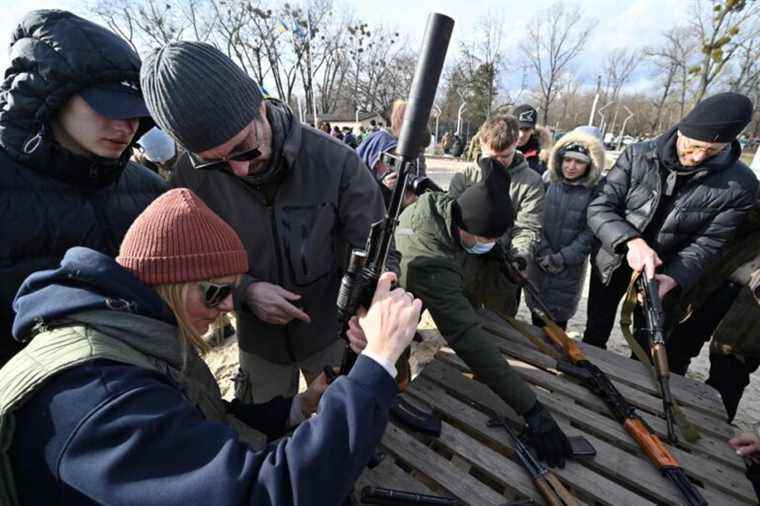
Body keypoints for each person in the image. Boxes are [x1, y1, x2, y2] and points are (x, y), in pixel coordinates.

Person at [0, 188, 421, 505]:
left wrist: (298, 408)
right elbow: (265, 495)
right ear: (170, 283)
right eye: (216, 292)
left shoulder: (130, 334)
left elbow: (194, 422)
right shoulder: (101, 395)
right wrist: (378, 361)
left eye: (233, 295)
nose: (227, 310)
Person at [140, 41, 389, 404]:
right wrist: (245, 291)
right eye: (216, 162)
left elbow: (378, 253)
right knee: (264, 430)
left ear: (260, 107)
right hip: (258, 346)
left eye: (244, 147)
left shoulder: (337, 162)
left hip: (330, 336)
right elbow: (186, 270)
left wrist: (371, 314)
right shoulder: (188, 179)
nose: (239, 169)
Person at [0, 10, 167, 367]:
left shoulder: (150, 191)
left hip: (149, 392)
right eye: (108, 105)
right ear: (52, 93)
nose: (126, 126)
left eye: (134, 110)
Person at [385, 169, 571, 467]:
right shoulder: (430, 260)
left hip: (435, 275)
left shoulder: (450, 207)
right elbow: (467, 338)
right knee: (393, 371)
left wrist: (501, 258)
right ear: (465, 228)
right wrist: (532, 409)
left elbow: (482, 243)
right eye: (487, 238)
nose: (490, 243)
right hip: (394, 308)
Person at [583, 92, 758, 350]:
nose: (698, 157)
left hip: (667, 275)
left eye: (712, 151)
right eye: (694, 146)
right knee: (596, 329)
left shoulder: (741, 185)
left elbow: (709, 243)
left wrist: (674, 278)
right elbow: (600, 207)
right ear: (681, 131)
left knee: (648, 345)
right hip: (613, 260)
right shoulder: (637, 154)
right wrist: (632, 241)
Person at [665, 198, 760, 421]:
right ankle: (661, 403)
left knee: (731, 369)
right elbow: (743, 220)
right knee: (678, 344)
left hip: (753, 311)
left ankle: (712, 431)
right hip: (723, 286)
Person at [449, 115, 545, 317]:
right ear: (482, 144)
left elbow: (527, 227)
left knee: (500, 323)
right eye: (491, 158)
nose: (498, 164)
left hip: (503, 268)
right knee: (461, 318)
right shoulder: (465, 176)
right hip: (465, 264)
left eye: (504, 157)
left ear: (516, 144)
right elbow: (449, 219)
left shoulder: (531, 182)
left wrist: (520, 256)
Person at [533, 130, 604, 329]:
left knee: (557, 322)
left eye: (579, 162)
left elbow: (591, 232)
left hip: (568, 267)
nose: (571, 167)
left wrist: (563, 257)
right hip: (540, 260)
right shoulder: (547, 182)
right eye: (567, 159)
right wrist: (543, 249)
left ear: (590, 164)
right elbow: (535, 217)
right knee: (537, 312)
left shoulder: (596, 191)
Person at [513, 104, 553, 176]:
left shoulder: (542, 160)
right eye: (518, 128)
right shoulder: (497, 152)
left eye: (526, 129)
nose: (521, 134)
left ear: (533, 130)